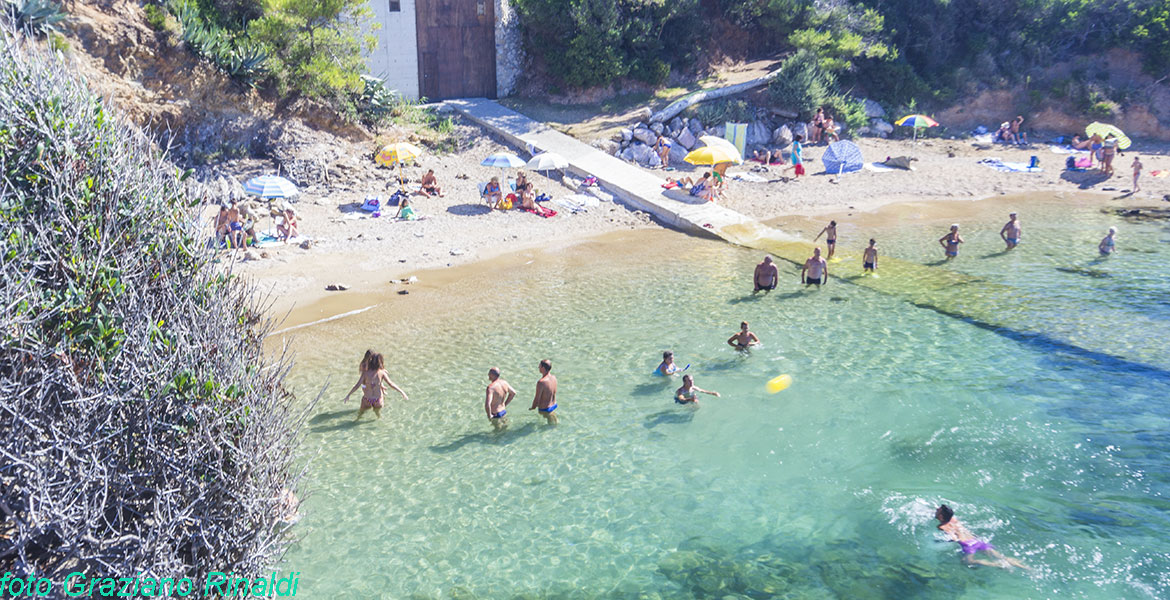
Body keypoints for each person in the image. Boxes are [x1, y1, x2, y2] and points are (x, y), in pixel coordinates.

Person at [935, 505, 1030, 570]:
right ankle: (1027, 568)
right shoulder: (954, 519)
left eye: (938, 510)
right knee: (1001, 557)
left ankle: (997, 564)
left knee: (968, 562)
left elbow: (954, 537)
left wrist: (951, 540)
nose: (936, 509)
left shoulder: (942, 526)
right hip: (977, 541)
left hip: (967, 545)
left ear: (941, 516)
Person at [343, 352, 408, 420]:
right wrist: (402, 392)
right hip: (378, 400)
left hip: (367, 399)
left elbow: (357, 385)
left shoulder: (365, 373)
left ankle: (356, 421)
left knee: (360, 415)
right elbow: (391, 384)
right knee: (378, 416)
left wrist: (348, 395)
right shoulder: (382, 373)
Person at [529, 359, 558, 425]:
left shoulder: (541, 382)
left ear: (543, 368)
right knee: (554, 422)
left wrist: (533, 407)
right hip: (553, 405)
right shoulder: (554, 377)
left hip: (545, 409)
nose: (538, 367)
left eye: (539, 366)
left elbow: (537, 398)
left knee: (550, 425)